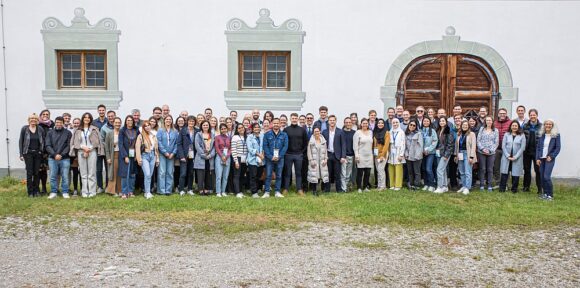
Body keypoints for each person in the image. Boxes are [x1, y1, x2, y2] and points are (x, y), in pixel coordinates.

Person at [71, 112, 103, 198]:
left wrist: (90, 148)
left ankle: (92, 191)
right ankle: (85, 191)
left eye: (88, 117)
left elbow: (98, 142)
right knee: (83, 173)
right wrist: (83, 147)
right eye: (85, 117)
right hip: (81, 152)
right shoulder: (78, 129)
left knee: (91, 173)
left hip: (92, 151)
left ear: (90, 119)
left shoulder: (94, 129)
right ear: (83, 118)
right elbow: (74, 142)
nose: (87, 119)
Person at [19, 113, 45, 197]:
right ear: (29, 120)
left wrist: (42, 152)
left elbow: (43, 141)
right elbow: (21, 142)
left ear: (37, 120)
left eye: (35, 119)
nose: (33, 120)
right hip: (28, 153)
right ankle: (30, 192)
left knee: (37, 173)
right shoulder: (24, 129)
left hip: (38, 153)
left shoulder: (40, 129)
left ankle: (36, 190)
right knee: (29, 173)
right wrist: (21, 154)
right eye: (31, 118)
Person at [262, 118, 288, 198]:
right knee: (268, 175)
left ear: (280, 124)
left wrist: (279, 156)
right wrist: (270, 156)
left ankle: (277, 192)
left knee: (279, 175)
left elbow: (285, 146)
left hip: (280, 159)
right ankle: (267, 192)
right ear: (272, 124)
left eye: (277, 123)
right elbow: (265, 146)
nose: (276, 124)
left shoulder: (284, 135)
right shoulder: (267, 134)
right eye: (274, 123)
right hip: (270, 159)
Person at [536, 119, 560, 201]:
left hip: (549, 159)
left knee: (546, 177)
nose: (548, 125)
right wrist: (537, 158)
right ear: (544, 125)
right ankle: (545, 194)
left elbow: (558, 148)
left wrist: (552, 156)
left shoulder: (556, 135)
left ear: (552, 125)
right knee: (542, 177)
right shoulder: (542, 135)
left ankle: (550, 195)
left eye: (550, 124)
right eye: (546, 124)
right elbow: (538, 148)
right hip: (541, 159)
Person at [283, 113, 308, 195]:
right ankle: (286, 189)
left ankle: (299, 189)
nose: (294, 119)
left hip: (298, 155)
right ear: (290, 119)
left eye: (295, 118)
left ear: (297, 119)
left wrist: (301, 152)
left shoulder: (302, 130)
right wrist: (285, 152)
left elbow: (305, 143)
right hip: (288, 155)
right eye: (292, 118)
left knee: (298, 173)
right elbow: (283, 142)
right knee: (287, 173)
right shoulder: (286, 130)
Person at [499, 120, 526, 193]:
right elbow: (503, 146)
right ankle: (502, 189)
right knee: (505, 173)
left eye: (516, 126)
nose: (514, 127)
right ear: (510, 126)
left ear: (518, 127)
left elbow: (522, 147)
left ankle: (514, 189)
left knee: (515, 174)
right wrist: (507, 156)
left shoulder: (522, 135)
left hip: (517, 158)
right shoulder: (507, 134)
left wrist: (516, 156)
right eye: (513, 125)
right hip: (506, 157)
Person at [322, 115, 346, 192]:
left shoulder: (340, 131)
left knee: (337, 174)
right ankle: (327, 189)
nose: (332, 121)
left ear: (335, 121)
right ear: (328, 121)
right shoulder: (324, 132)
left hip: (337, 155)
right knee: (327, 173)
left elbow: (343, 145)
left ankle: (338, 189)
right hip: (328, 155)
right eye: (330, 120)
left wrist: (343, 156)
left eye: (333, 120)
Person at [136, 120, 160, 199]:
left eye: (148, 125)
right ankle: (147, 192)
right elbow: (137, 148)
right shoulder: (140, 136)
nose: (147, 127)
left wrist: (157, 159)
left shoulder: (153, 135)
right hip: (144, 156)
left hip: (152, 156)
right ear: (143, 128)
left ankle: (147, 191)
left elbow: (156, 148)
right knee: (147, 174)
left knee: (150, 175)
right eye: (145, 126)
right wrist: (139, 159)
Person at [118, 115, 139, 198]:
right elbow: (120, 144)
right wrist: (125, 156)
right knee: (124, 174)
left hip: (133, 155)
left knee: (132, 174)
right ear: (126, 121)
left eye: (131, 120)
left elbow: (139, 143)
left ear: (133, 122)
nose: (129, 122)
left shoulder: (136, 130)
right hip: (125, 155)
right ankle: (124, 192)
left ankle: (130, 191)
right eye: (128, 120)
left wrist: (137, 155)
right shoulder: (122, 131)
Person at [157, 115, 178, 195]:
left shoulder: (175, 131)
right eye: (167, 119)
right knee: (162, 172)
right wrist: (164, 152)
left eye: (170, 119)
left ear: (172, 121)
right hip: (162, 154)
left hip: (171, 155)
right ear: (164, 121)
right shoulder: (160, 130)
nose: (168, 120)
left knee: (169, 172)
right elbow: (159, 142)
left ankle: (168, 190)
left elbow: (176, 143)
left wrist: (173, 153)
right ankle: (161, 190)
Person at [476, 116, 499, 192]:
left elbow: (496, 142)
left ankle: (489, 184)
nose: (488, 121)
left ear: (492, 121)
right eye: (487, 120)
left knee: (490, 169)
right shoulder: (482, 129)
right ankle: (482, 184)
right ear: (485, 121)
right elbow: (478, 140)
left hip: (491, 153)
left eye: (490, 120)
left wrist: (490, 150)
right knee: (482, 169)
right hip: (481, 152)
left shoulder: (495, 130)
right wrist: (482, 149)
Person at [455, 120, 477, 195]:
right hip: (460, 154)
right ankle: (464, 186)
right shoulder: (459, 134)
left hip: (468, 154)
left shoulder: (472, 134)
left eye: (466, 125)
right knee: (461, 171)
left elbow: (473, 146)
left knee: (468, 172)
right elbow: (457, 146)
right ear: (461, 126)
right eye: (463, 125)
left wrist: (471, 157)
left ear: (468, 126)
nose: (465, 126)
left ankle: (468, 187)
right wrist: (456, 155)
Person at [522, 109, 542, 193]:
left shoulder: (541, 126)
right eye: (531, 115)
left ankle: (540, 189)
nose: (532, 116)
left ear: (537, 115)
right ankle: (526, 187)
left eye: (534, 115)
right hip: (527, 151)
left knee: (538, 170)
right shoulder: (525, 126)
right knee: (527, 170)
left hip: (537, 152)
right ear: (529, 116)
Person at [176, 116, 197, 196]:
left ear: (195, 122)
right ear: (187, 122)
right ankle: (181, 189)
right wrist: (181, 156)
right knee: (183, 173)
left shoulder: (197, 131)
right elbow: (179, 144)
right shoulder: (183, 131)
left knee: (191, 173)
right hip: (184, 155)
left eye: (193, 121)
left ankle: (190, 189)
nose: (191, 123)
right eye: (190, 121)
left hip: (193, 155)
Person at [434, 117, 454, 193]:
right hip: (438, 153)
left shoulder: (449, 131)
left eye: (443, 121)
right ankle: (445, 186)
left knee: (439, 170)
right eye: (440, 121)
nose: (441, 122)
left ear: (446, 122)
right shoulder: (438, 130)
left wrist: (446, 155)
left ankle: (440, 186)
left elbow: (450, 144)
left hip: (445, 154)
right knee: (443, 170)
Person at [194, 121, 215, 196]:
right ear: (201, 126)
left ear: (209, 126)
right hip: (200, 158)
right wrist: (203, 155)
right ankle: (200, 190)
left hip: (209, 158)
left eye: (207, 125)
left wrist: (210, 155)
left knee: (208, 174)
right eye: (204, 125)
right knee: (200, 175)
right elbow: (197, 146)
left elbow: (214, 147)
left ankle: (206, 190)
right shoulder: (198, 134)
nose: (205, 126)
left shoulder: (212, 135)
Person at [307, 127, 329, 195]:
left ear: (320, 131)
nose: (317, 132)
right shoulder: (311, 141)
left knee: (323, 175)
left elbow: (325, 151)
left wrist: (326, 159)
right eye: (315, 131)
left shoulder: (323, 141)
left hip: (322, 161)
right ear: (313, 132)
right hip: (314, 161)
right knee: (314, 176)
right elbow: (309, 152)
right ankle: (314, 190)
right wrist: (311, 160)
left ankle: (324, 190)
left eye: (318, 131)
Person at [353, 118, 373, 192]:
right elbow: (355, 145)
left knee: (367, 173)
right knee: (360, 173)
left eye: (366, 123)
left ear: (368, 124)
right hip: (360, 155)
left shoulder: (370, 132)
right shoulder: (358, 132)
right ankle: (359, 188)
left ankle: (365, 187)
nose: (365, 125)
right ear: (361, 124)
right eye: (363, 123)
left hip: (369, 155)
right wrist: (356, 155)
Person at [104, 117, 122, 196]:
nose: (117, 124)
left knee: (120, 173)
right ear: (113, 123)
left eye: (119, 122)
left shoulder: (122, 133)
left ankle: (120, 190)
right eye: (116, 122)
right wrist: (108, 158)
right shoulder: (109, 134)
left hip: (121, 156)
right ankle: (112, 190)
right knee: (113, 173)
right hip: (112, 155)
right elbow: (106, 147)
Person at [93, 104, 108, 194]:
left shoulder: (109, 121)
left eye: (103, 110)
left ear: (105, 111)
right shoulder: (94, 122)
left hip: (107, 149)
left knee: (107, 168)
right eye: (100, 110)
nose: (101, 111)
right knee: (98, 169)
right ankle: (100, 186)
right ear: (98, 111)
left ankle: (107, 186)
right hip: (98, 149)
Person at [38, 109, 53, 195]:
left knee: (45, 170)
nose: (45, 115)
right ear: (41, 115)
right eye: (43, 114)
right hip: (39, 151)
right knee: (39, 170)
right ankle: (37, 187)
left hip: (48, 152)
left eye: (47, 114)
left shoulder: (52, 124)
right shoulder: (37, 124)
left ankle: (44, 188)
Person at [246, 123, 264, 198]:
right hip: (253, 159)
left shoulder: (262, 136)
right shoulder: (249, 137)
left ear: (260, 128)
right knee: (253, 176)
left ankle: (257, 189)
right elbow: (250, 148)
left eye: (258, 127)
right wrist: (259, 155)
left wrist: (262, 154)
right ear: (252, 129)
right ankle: (254, 192)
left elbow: (264, 146)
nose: (257, 128)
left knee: (259, 176)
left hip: (262, 159)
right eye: (255, 127)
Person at [404, 120, 423, 190]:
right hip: (408, 156)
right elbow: (405, 145)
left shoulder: (419, 134)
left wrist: (417, 156)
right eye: (410, 125)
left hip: (416, 156)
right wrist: (406, 154)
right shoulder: (406, 134)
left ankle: (417, 185)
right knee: (410, 172)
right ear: (408, 125)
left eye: (414, 125)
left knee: (416, 172)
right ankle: (411, 184)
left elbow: (420, 146)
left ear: (416, 127)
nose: (412, 126)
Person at [214, 123, 232, 197]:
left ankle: (223, 191)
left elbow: (231, 148)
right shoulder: (217, 137)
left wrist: (227, 156)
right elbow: (217, 148)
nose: (223, 130)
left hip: (227, 158)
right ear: (220, 130)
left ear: (227, 129)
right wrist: (222, 156)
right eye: (222, 129)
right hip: (219, 157)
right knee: (219, 175)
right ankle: (218, 192)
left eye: (225, 128)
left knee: (225, 176)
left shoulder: (229, 138)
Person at [388, 118, 406, 190]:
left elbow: (403, 144)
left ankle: (398, 185)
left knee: (398, 169)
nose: (395, 124)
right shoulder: (390, 132)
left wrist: (401, 155)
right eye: (393, 123)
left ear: (399, 123)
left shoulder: (401, 132)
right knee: (391, 168)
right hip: (391, 152)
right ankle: (392, 185)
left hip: (398, 152)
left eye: (396, 122)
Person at [494, 108, 511, 182]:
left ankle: (505, 182)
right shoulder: (494, 123)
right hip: (497, 149)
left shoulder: (510, 122)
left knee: (506, 166)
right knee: (496, 166)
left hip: (507, 149)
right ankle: (498, 181)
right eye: (501, 113)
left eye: (504, 113)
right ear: (498, 114)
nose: (502, 115)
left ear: (506, 114)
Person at [420, 118, 438, 192]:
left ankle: (432, 185)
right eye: (424, 121)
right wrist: (421, 150)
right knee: (424, 169)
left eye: (427, 121)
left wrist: (428, 150)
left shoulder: (433, 131)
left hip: (430, 153)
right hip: (422, 153)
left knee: (428, 169)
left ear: (430, 122)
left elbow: (435, 141)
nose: (426, 122)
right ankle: (426, 184)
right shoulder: (420, 130)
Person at [372, 119, 390, 190]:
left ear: (384, 124)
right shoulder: (375, 132)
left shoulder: (387, 133)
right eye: (379, 123)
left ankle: (383, 186)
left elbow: (386, 146)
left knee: (381, 169)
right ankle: (379, 185)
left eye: (382, 123)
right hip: (376, 154)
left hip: (383, 153)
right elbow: (373, 144)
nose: (380, 124)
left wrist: (382, 155)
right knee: (378, 170)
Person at [232, 123, 248, 198]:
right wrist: (236, 161)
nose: (241, 129)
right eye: (239, 128)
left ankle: (240, 191)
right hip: (238, 158)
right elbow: (233, 149)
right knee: (237, 175)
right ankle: (237, 192)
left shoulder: (246, 137)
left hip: (245, 159)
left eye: (242, 127)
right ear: (237, 130)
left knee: (242, 176)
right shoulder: (235, 137)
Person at [341, 117, 356, 191]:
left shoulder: (354, 133)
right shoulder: (341, 132)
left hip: (351, 155)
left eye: (349, 122)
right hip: (344, 156)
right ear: (344, 123)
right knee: (343, 173)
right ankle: (343, 188)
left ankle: (345, 186)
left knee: (348, 173)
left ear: (351, 123)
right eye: (346, 122)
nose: (348, 124)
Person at [69, 118, 82, 196]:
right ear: (73, 124)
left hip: (81, 154)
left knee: (82, 173)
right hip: (73, 156)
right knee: (75, 173)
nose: (76, 124)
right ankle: (75, 189)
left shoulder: (82, 132)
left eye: (78, 123)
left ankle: (82, 188)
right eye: (75, 123)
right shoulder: (71, 132)